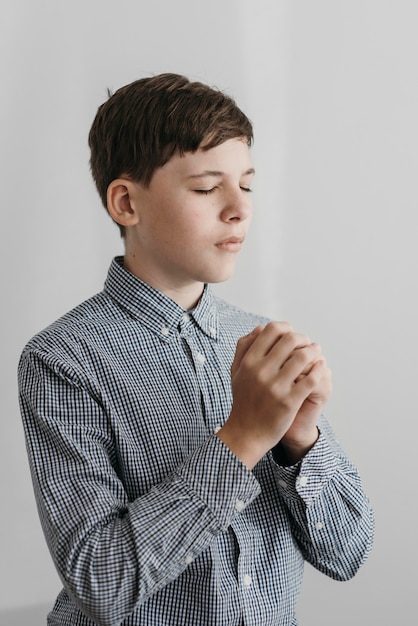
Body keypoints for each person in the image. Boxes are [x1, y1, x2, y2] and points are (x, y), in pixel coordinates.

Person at [18, 73, 374, 626]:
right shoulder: (62, 359)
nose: (239, 208)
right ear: (126, 203)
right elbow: (99, 585)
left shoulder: (262, 345)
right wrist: (245, 438)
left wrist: (300, 439)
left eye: (248, 185)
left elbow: (349, 554)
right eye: (208, 188)